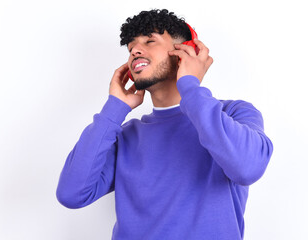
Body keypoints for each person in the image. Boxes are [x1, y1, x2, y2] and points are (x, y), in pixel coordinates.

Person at [56, 9, 273, 240]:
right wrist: (115, 108)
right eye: (131, 48)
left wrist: (191, 86)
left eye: (150, 40)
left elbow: (248, 168)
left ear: (185, 52)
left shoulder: (233, 114)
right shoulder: (126, 136)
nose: (135, 51)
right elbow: (72, 194)